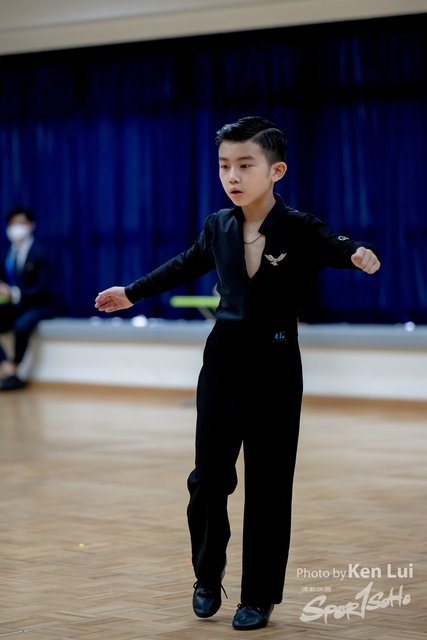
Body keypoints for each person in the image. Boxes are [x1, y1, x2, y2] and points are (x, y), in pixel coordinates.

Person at [94, 116, 380, 631]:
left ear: (276, 171)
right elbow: (183, 264)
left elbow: (337, 247)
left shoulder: (299, 227)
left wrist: (357, 254)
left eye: (245, 165)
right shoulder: (218, 226)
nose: (233, 175)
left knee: (269, 486)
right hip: (222, 364)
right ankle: (207, 575)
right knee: (208, 479)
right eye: (225, 165)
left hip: (276, 368)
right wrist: (131, 293)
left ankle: (259, 595)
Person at [0, 207, 55, 391]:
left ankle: (15, 368)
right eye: (13, 224)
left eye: (21, 223)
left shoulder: (41, 253)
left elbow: (43, 288)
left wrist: (13, 293)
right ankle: (7, 368)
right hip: (14, 305)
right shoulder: (7, 253)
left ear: (31, 225)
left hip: (40, 304)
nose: (16, 228)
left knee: (21, 325)